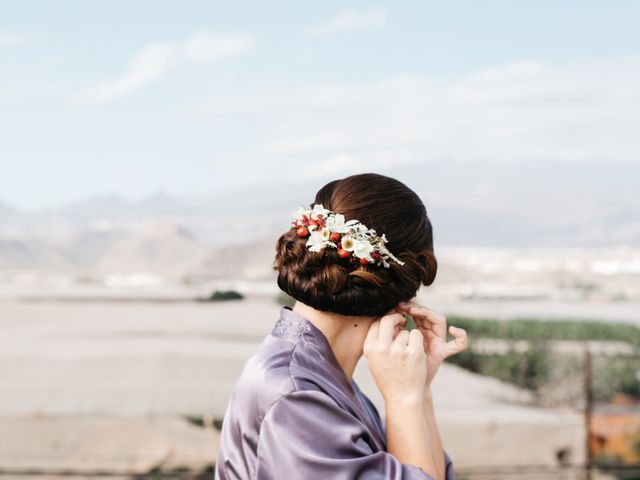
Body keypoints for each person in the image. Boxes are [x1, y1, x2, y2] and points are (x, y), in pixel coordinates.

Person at [214, 173, 469, 479]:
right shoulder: (295, 397)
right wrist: (403, 399)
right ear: (404, 288)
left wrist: (420, 389)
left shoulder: (321, 377)